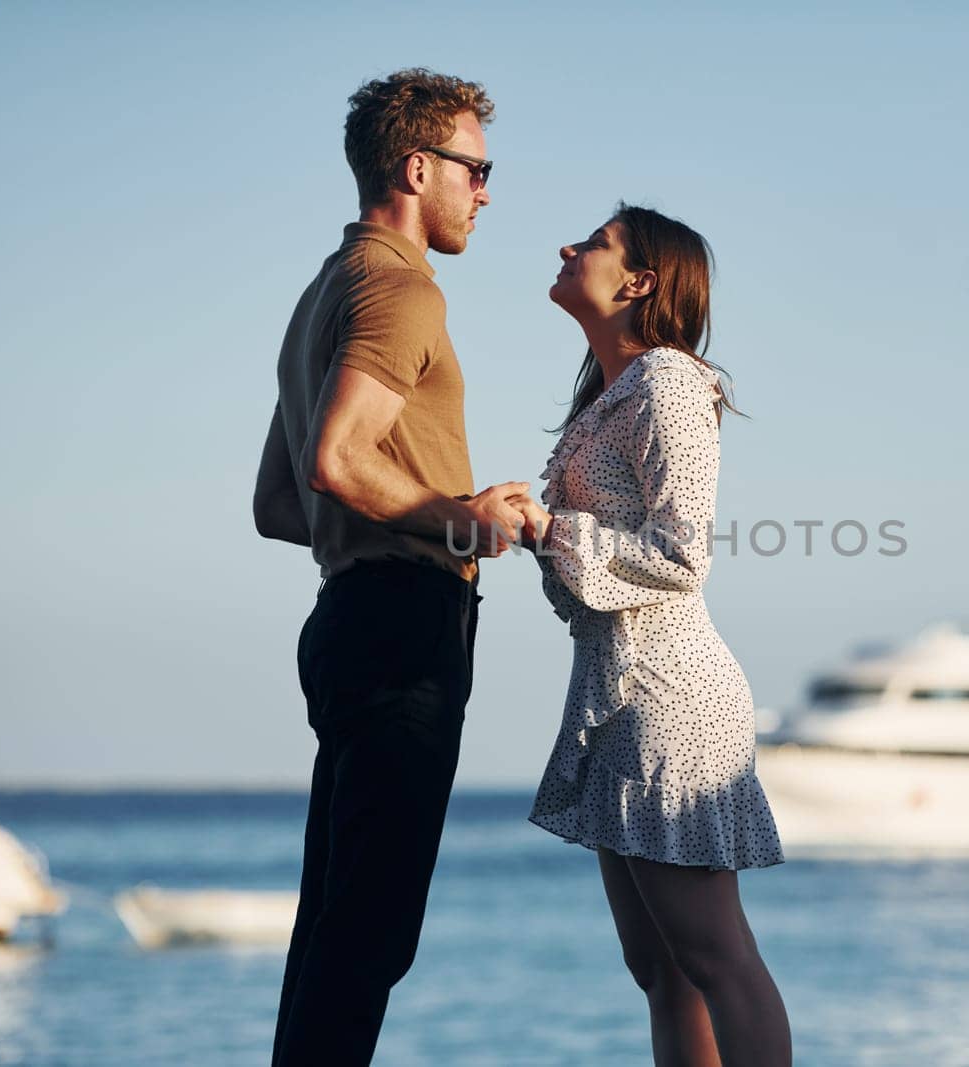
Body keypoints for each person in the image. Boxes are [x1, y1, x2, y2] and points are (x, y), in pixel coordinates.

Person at [252, 68, 530, 1067]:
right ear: (420, 167)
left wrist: (388, 512)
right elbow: (332, 465)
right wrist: (463, 518)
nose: (487, 192)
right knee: (371, 929)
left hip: (348, 618)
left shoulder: (327, 286)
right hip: (405, 624)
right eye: (477, 169)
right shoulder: (402, 288)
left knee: (332, 923)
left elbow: (281, 503)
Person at [516, 204, 792, 1066]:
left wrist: (545, 529)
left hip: (671, 694)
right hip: (615, 691)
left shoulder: (668, 381)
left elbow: (681, 553)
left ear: (638, 281)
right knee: (660, 969)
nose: (568, 247)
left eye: (592, 244)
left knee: (716, 955)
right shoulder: (610, 394)